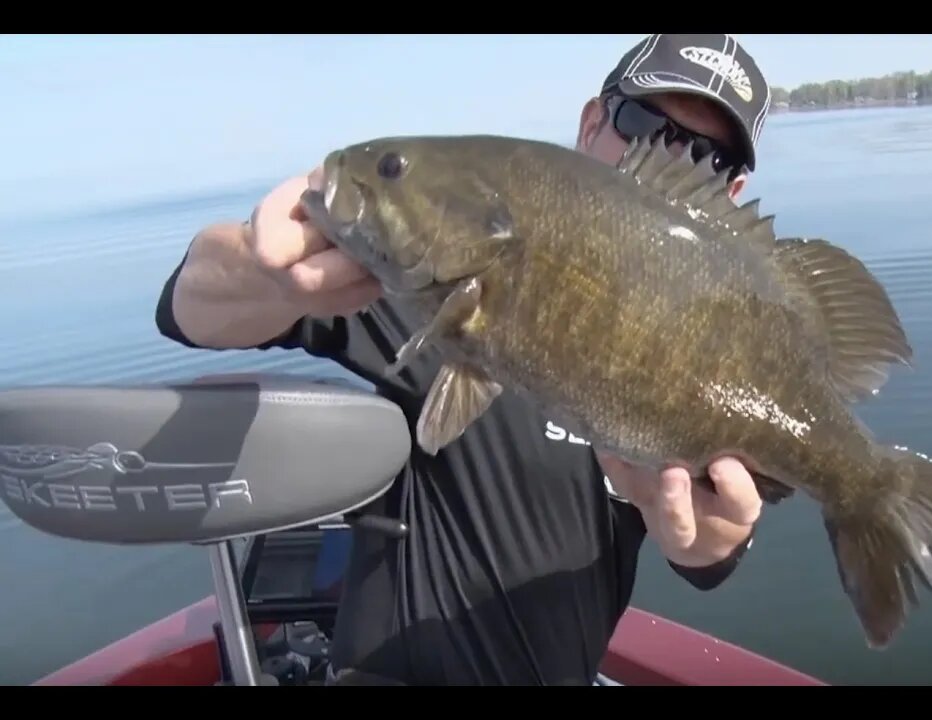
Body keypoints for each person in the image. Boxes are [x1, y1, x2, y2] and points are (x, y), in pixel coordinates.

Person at [154, 33, 775, 686]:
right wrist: (263, 265)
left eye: (705, 157)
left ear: (728, 195)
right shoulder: (444, 280)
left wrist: (715, 541)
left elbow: (711, 547)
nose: (667, 161)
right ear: (593, 124)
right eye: (646, 125)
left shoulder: (712, 353)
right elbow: (189, 307)